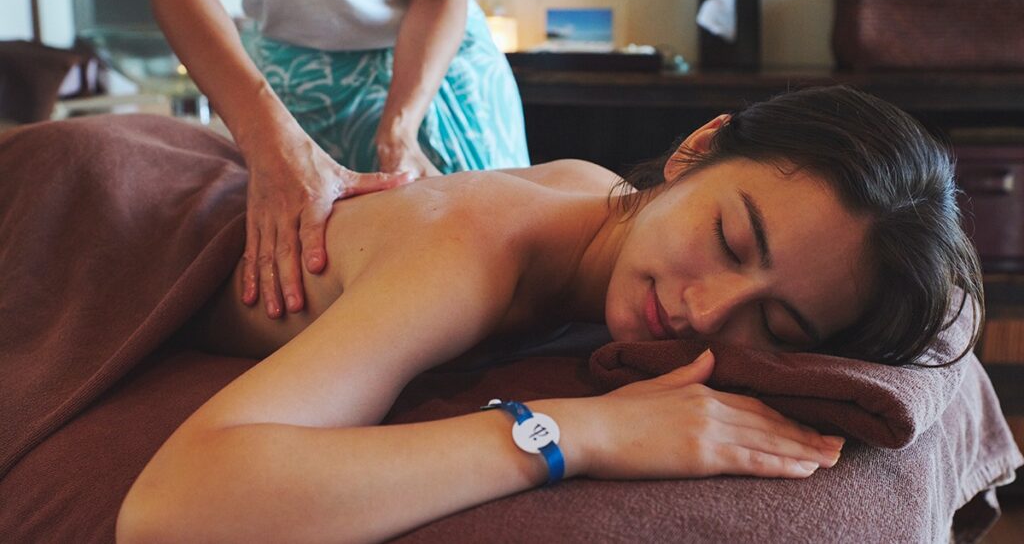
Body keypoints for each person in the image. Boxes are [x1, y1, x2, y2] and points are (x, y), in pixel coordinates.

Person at [116, 86, 983, 543]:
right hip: (103, 213)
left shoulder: (599, 195)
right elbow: (173, 506)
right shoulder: (468, 256)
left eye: (781, 330)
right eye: (728, 235)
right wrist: (579, 433)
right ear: (696, 149)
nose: (707, 310)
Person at [139, 0, 531, 322]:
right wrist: (273, 147)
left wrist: (400, 132)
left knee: (502, 290)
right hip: (283, 88)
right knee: (307, 301)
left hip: (434, 64)